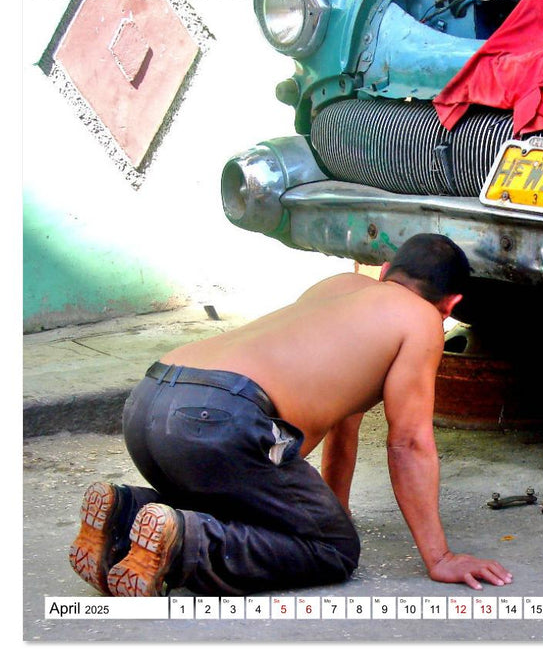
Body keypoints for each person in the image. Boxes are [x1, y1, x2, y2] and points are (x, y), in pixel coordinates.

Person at [69, 234, 513, 596]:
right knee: (334, 550)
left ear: (384, 273)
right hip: (222, 418)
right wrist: (439, 558)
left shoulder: (340, 286)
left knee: (252, 505)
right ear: (450, 305)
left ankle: (125, 513)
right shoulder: (421, 321)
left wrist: (328, 510)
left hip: (151, 400)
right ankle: (186, 542)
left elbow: (343, 422)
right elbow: (409, 443)